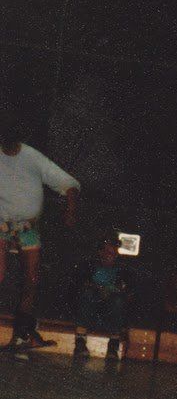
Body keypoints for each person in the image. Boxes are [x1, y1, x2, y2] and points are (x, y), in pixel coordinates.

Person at [0, 119, 79, 355]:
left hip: (27, 227)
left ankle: (23, 334)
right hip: (1, 225)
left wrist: (70, 209)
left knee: (32, 279)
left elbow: (69, 184)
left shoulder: (32, 157)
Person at [74, 238, 130, 360]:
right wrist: (99, 288)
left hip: (110, 310)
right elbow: (81, 283)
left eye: (115, 253)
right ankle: (80, 343)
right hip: (92, 307)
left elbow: (126, 289)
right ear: (101, 252)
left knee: (118, 301)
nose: (112, 256)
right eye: (109, 252)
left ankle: (113, 347)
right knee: (87, 295)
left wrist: (115, 290)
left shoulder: (121, 268)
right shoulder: (89, 265)